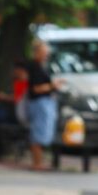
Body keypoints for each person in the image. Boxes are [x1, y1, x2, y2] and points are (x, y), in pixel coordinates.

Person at [24, 39, 62, 171]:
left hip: (44, 102)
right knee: (39, 132)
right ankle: (37, 163)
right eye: (44, 52)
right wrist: (53, 86)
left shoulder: (41, 66)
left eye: (47, 52)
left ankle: (39, 161)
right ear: (37, 52)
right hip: (39, 103)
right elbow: (36, 89)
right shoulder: (35, 67)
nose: (46, 54)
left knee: (42, 131)